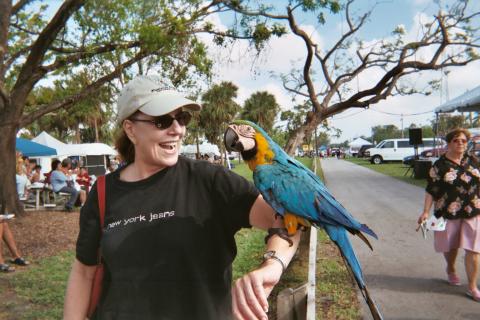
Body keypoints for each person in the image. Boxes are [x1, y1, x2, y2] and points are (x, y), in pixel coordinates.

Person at [63, 75, 301, 320]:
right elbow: (84, 271)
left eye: (182, 118)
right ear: (130, 129)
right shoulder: (103, 192)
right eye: (162, 121)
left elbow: (286, 218)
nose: (177, 129)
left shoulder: (210, 181)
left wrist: (273, 264)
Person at [417, 128, 480, 302]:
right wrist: (425, 212)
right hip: (446, 212)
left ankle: (472, 287)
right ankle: (451, 269)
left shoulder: (473, 161)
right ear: (449, 143)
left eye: (463, 141)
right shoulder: (440, 165)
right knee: (450, 246)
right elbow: (431, 190)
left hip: (473, 211)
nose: (460, 143)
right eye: (456, 140)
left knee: (474, 249)